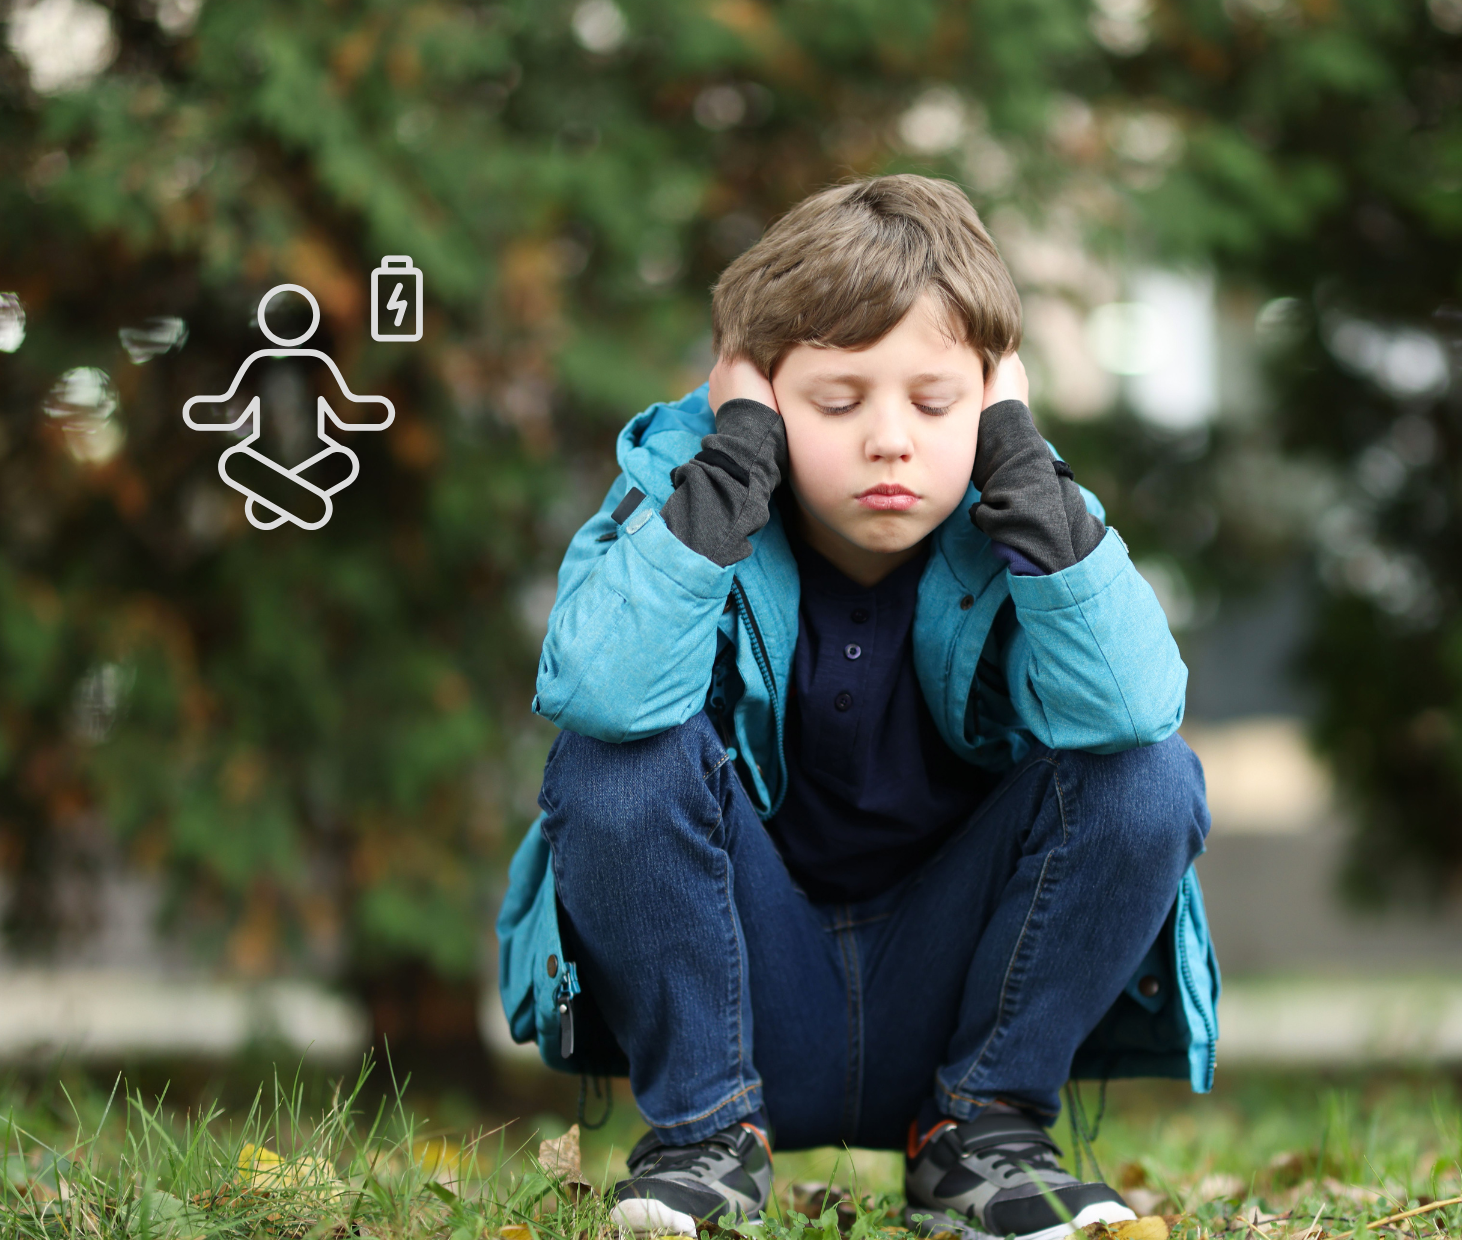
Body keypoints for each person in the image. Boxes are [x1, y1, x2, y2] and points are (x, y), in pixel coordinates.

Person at [496, 175, 1218, 1240]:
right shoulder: (682, 501)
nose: (891, 439)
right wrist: (732, 461)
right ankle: (704, 1142)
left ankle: (984, 1138)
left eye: (935, 402)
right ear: (758, 394)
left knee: (1148, 774)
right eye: (837, 401)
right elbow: (599, 693)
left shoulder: (1030, 517)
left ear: (991, 394)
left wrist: (1017, 458)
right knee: (615, 760)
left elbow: (1130, 708)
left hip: (958, 996)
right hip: (743, 997)